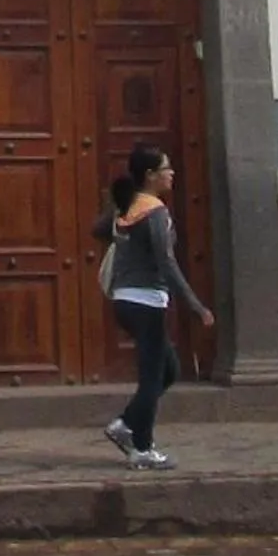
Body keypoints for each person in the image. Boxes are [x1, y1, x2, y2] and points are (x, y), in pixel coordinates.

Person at [91, 145, 213, 469]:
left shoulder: (129, 206)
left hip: (125, 302)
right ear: (150, 176)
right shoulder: (155, 211)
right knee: (151, 378)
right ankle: (142, 449)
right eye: (165, 169)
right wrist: (196, 305)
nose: (171, 173)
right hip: (146, 302)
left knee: (169, 369)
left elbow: (98, 230)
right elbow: (167, 262)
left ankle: (126, 424)